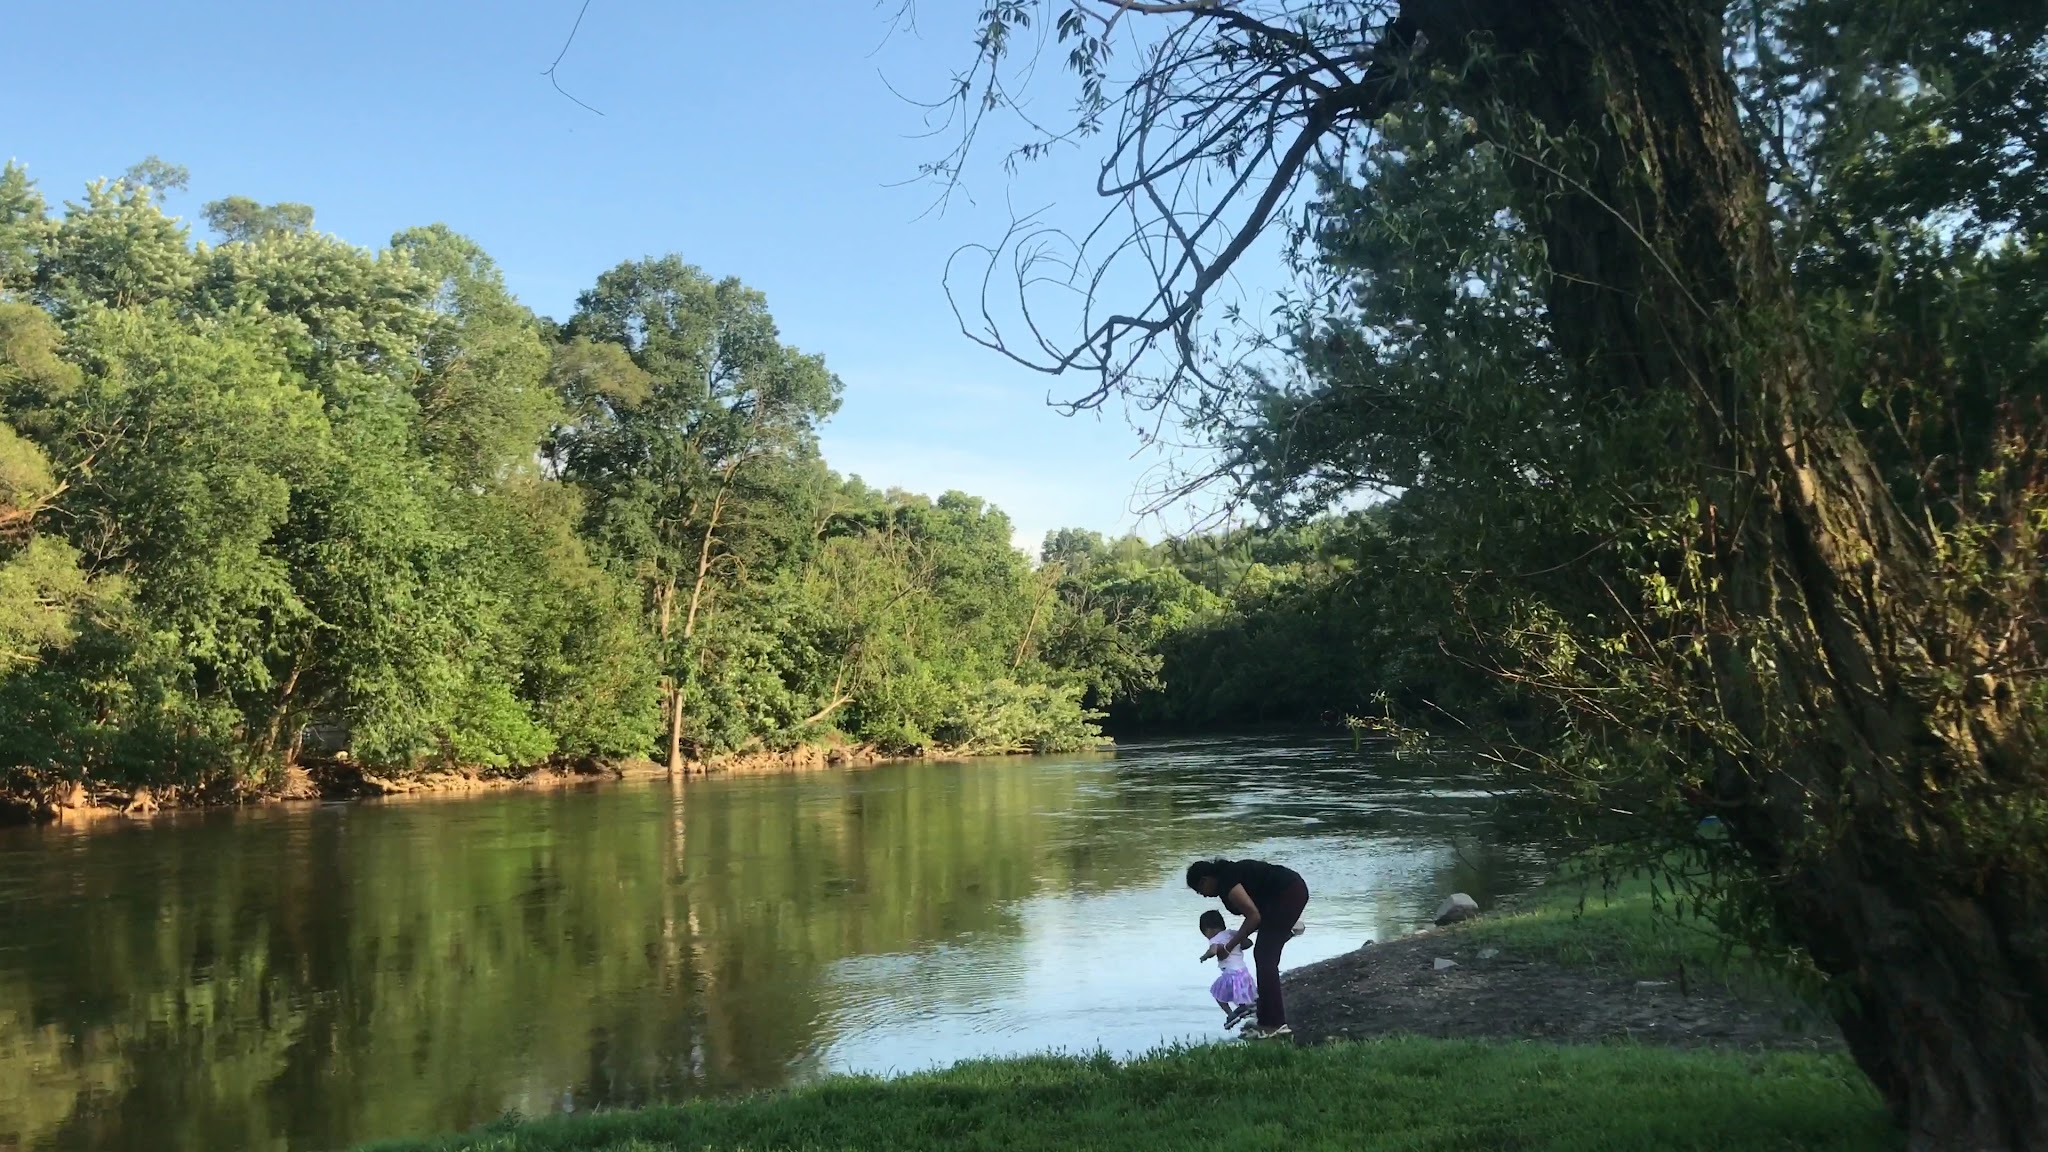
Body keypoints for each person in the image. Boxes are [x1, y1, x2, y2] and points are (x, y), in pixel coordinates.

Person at [1187, 857, 1310, 1038]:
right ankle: (1266, 1019)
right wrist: (1238, 939)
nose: (1204, 895)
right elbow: (1256, 915)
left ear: (1205, 879)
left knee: (1264, 956)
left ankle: (1275, 1023)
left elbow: (1253, 917)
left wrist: (1229, 946)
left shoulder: (1227, 880)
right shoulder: (1227, 879)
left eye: (1200, 890)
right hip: (1281, 899)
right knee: (1264, 953)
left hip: (1288, 893)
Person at [1199, 910, 1258, 1029]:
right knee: (1245, 995)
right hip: (1243, 972)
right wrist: (1237, 945)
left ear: (1210, 929)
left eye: (1205, 934)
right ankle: (1246, 1009)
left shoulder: (1215, 939)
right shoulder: (1232, 933)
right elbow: (1248, 943)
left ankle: (1231, 1015)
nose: (1207, 937)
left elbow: (1213, 950)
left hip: (1230, 974)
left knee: (1217, 993)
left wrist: (1205, 956)